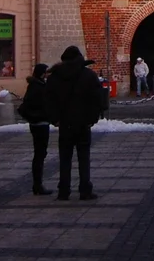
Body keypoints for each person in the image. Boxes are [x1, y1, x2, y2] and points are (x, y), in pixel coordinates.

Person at [46, 45, 107, 201]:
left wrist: (56, 119)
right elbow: (98, 99)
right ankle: (85, 189)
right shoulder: (88, 75)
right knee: (83, 157)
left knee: (65, 158)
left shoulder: (55, 76)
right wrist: (91, 119)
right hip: (82, 123)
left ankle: (64, 190)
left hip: (65, 123)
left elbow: (48, 100)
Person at [17, 63, 53, 196]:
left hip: (38, 123)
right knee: (40, 154)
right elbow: (34, 105)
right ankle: (37, 185)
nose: (47, 75)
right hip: (40, 124)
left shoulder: (36, 85)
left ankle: (38, 184)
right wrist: (40, 115)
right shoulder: (37, 87)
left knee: (40, 154)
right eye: (45, 72)